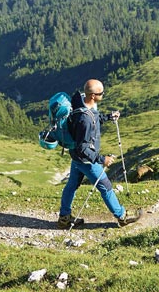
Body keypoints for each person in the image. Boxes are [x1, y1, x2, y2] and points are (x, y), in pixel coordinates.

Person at [58, 79, 140, 228]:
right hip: (87, 161)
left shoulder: (81, 103)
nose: (103, 94)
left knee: (71, 185)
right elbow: (83, 147)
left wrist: (108, 117)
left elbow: (94, 118)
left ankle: (64, 217)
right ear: (93, 96)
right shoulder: (85, 120)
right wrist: (102, 159)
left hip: (76, 158)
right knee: (106, 186)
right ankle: (121, 216)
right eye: (101, 93)